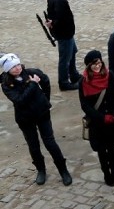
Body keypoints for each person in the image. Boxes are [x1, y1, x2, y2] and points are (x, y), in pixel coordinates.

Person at [1, 54, 72, 185]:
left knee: (50, 143)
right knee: (33, 146)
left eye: (18, 65)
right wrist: (33, 85)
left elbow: (45, 81)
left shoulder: (32, 72)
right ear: (7, 70)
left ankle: (63, 170)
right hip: (25, 118)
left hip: (42, 113)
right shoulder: (6, 84)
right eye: (13, 67)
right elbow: (19, 100)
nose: (17, 68)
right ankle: (41, 170)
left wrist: (45, 99)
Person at [46, 0, 81, 91]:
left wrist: (51, 21)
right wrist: (53, 23)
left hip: (66, 32)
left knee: (73, 51)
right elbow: (60, 18)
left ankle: (74, 75)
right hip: (64, 34)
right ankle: (64, 82)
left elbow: (50, 11)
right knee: (65, 58)